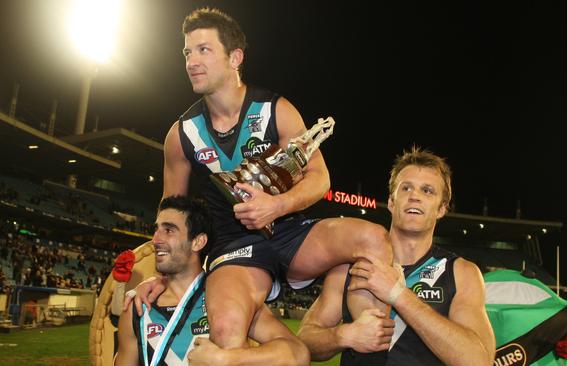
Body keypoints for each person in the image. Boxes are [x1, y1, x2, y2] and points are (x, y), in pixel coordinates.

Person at [130, 6, 392, 351]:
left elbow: (320, 178)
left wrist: (277, 205)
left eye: (204, 50)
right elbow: (171, 216)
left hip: (288, 233)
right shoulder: (181, 136)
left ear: (234, 57)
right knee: (224, 330)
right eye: (187, 52)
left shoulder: (275, 109)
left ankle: (367, 346)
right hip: (232, 248)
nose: (192, 61)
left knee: (373, 238)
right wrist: (161, 275)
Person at [298, 147, 496, 365]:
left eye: (427, 191)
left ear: (441, 209)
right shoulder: (350, 267)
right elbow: (304, 340)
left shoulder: (462, 273)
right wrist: (344, 335)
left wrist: (398, 295)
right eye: (406, 188)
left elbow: (479, 361)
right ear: (391, 203)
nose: (414, 196)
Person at [116, 196, 309, 366]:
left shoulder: (229, 297)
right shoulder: (139, 307)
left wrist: (226, 359)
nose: (155, 239)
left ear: (198, 242)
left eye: (169, 230)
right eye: (156, 229)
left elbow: (297, 353)